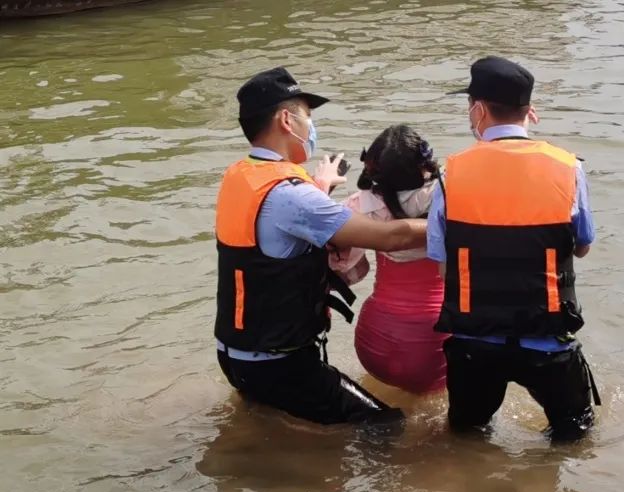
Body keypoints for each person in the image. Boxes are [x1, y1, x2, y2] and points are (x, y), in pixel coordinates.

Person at [214, 66, 428, 426]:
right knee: (390, 425)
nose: (310, 126)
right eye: (307, 116)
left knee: (267, 425)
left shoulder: (241, 176)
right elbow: (394, 237)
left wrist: (320, 186)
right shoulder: (293, 198)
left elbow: (279, 222)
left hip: (235, 354)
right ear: (286, 120)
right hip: (280, 365)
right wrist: (464, 223)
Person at [427, 56, 602, 441]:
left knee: (467, 439)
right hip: (548, 337)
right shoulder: (567, 167)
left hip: (475, 343)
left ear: (478, 109)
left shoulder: (450, 173)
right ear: (529, 111)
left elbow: (442, 269)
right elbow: (583, 247)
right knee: (576, 439)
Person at [329, 125, 449, 394]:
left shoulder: (359, 206)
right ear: (424, 166)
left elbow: (339, 263)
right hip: (433, 342)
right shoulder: (448, 198)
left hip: (374, 342)